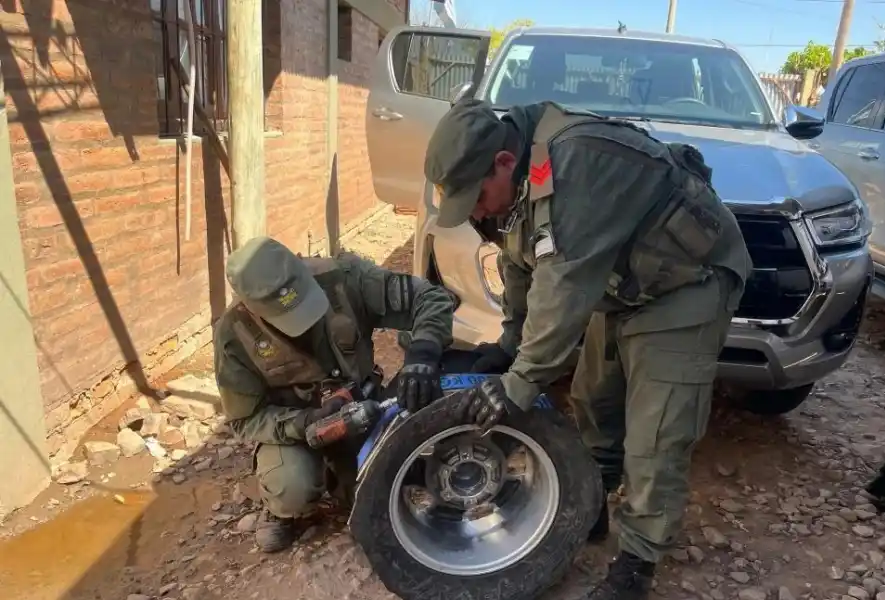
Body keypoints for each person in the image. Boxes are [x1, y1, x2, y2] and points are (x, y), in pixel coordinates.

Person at [425, 98, 753, 600]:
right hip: (621, 281)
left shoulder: (574, 163)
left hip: (687, 282)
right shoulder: (512, 183)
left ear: (504, 163)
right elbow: (520, 262)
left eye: (476, 196)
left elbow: (563, 288)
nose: (475, 211)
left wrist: (520, 381)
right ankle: (594, 501)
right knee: (594, 399)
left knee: (657, 430)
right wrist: (512, 342)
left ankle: (637, 564)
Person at [213, 236, 455, 553]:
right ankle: (281, 507)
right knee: (292, 489)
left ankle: (342, 474)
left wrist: (422, 356)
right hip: (299, 431)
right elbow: (246, 420)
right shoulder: (234, 334)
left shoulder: (343, 279)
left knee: (375, 495)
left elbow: (432, 299)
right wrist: (308, 422)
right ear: (250, 306)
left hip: (364, 410)